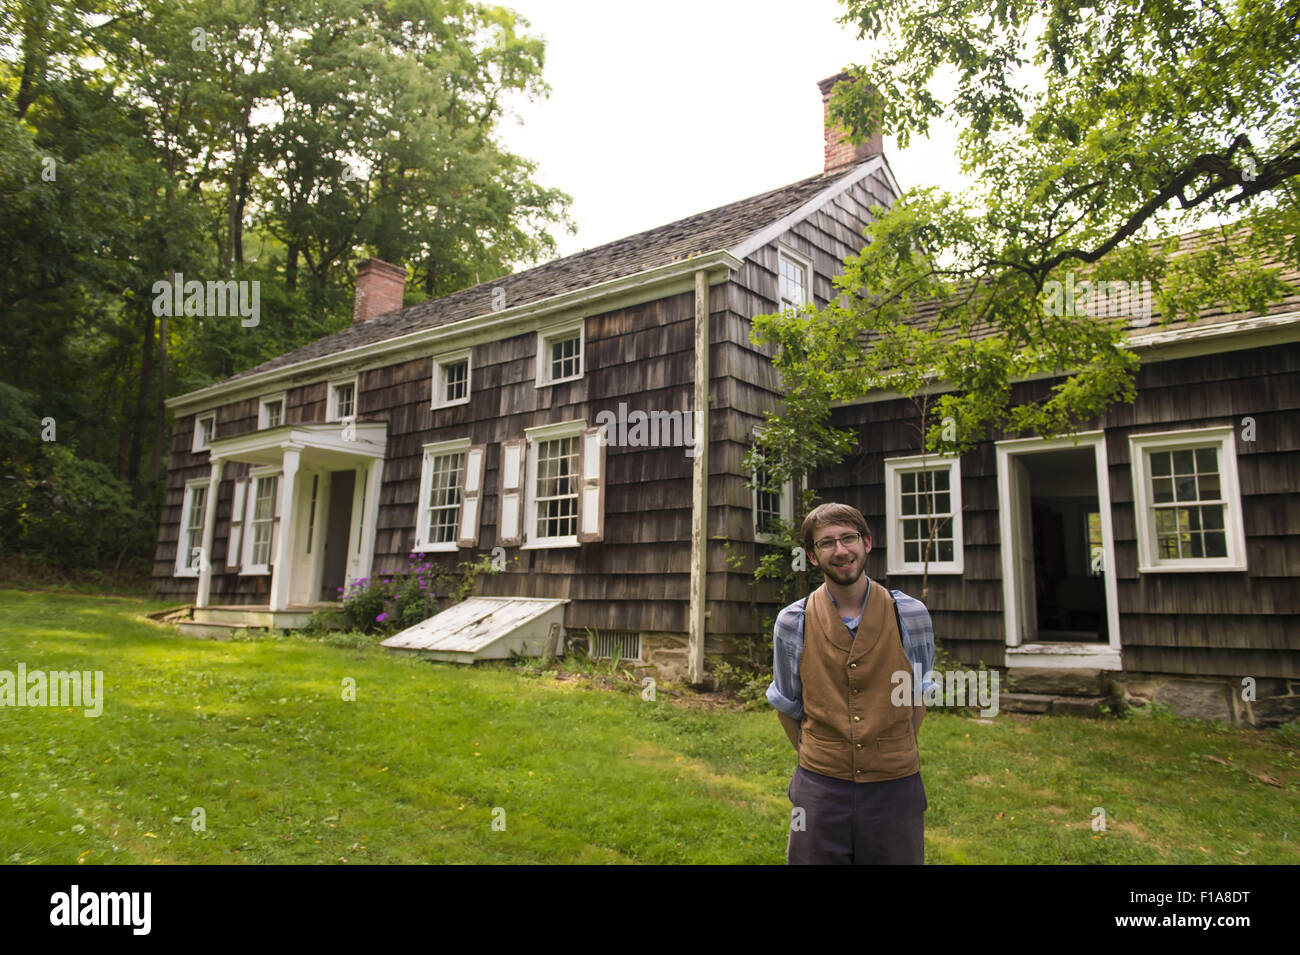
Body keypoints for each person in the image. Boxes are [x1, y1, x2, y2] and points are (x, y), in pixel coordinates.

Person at [766, 502, 937, 865]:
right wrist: (824, 758)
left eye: (848, 538)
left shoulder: (909, 614)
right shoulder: (793, 622)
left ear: (867, 543)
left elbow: (918, 696)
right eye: (826, 543)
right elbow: (787, 705)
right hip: (820, 788)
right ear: (812, 557)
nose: (841, 550)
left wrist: (888, 751)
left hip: (895, 786)